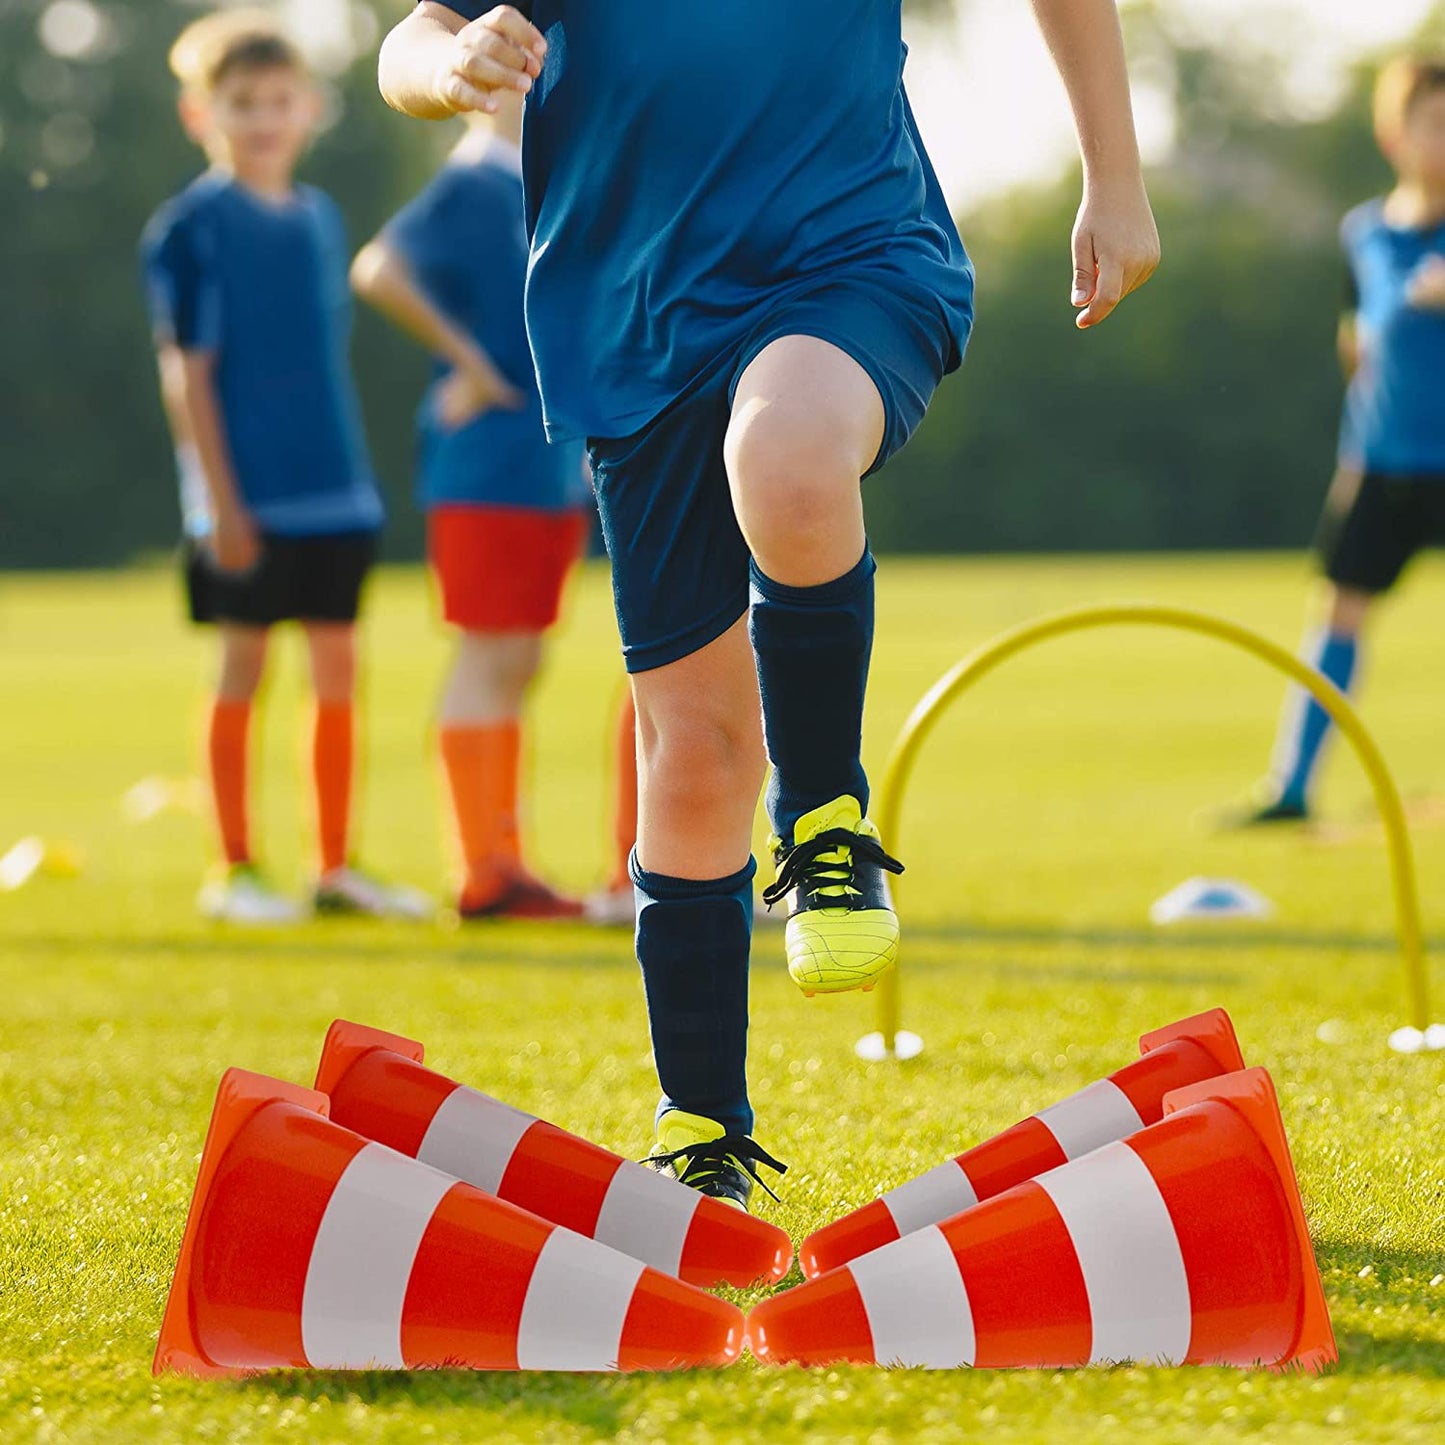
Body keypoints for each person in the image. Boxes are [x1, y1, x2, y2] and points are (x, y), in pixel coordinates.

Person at [377, 1, 1159, 1207]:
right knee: (689, 753)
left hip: (850, 259)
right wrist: (450, 63)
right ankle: (699, 1129)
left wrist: (1114, 178)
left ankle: (825, 819)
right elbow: (409, 44)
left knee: (787, 457)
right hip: (631, 316)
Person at [142, 10, 424, 923]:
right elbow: (188, 375)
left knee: (340, 671)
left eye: (277, 101)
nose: (262, 119)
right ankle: (236, 870)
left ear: (309, 109)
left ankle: (335, 869)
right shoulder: (190, 228)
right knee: (243, 669)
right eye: (240, 104)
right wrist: (220, 501)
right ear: (201, 115)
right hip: (244, 501)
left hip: (333, 490)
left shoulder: (318, 217)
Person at [352, 97, 626, 919]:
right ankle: (484, 870)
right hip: (485, 467)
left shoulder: (538, 179)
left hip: (543, 467)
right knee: (490, 653)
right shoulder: (472, 180)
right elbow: (377, 268)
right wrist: (465, 359)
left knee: (519, 657)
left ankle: (505, 863)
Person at [1232, 57, 1445, 826]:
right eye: (1434, 121)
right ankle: (1290, 788)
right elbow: (1355, 334)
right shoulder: (1364, 232)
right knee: (1337, 615)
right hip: (1381, 459)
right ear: (1396, 133)